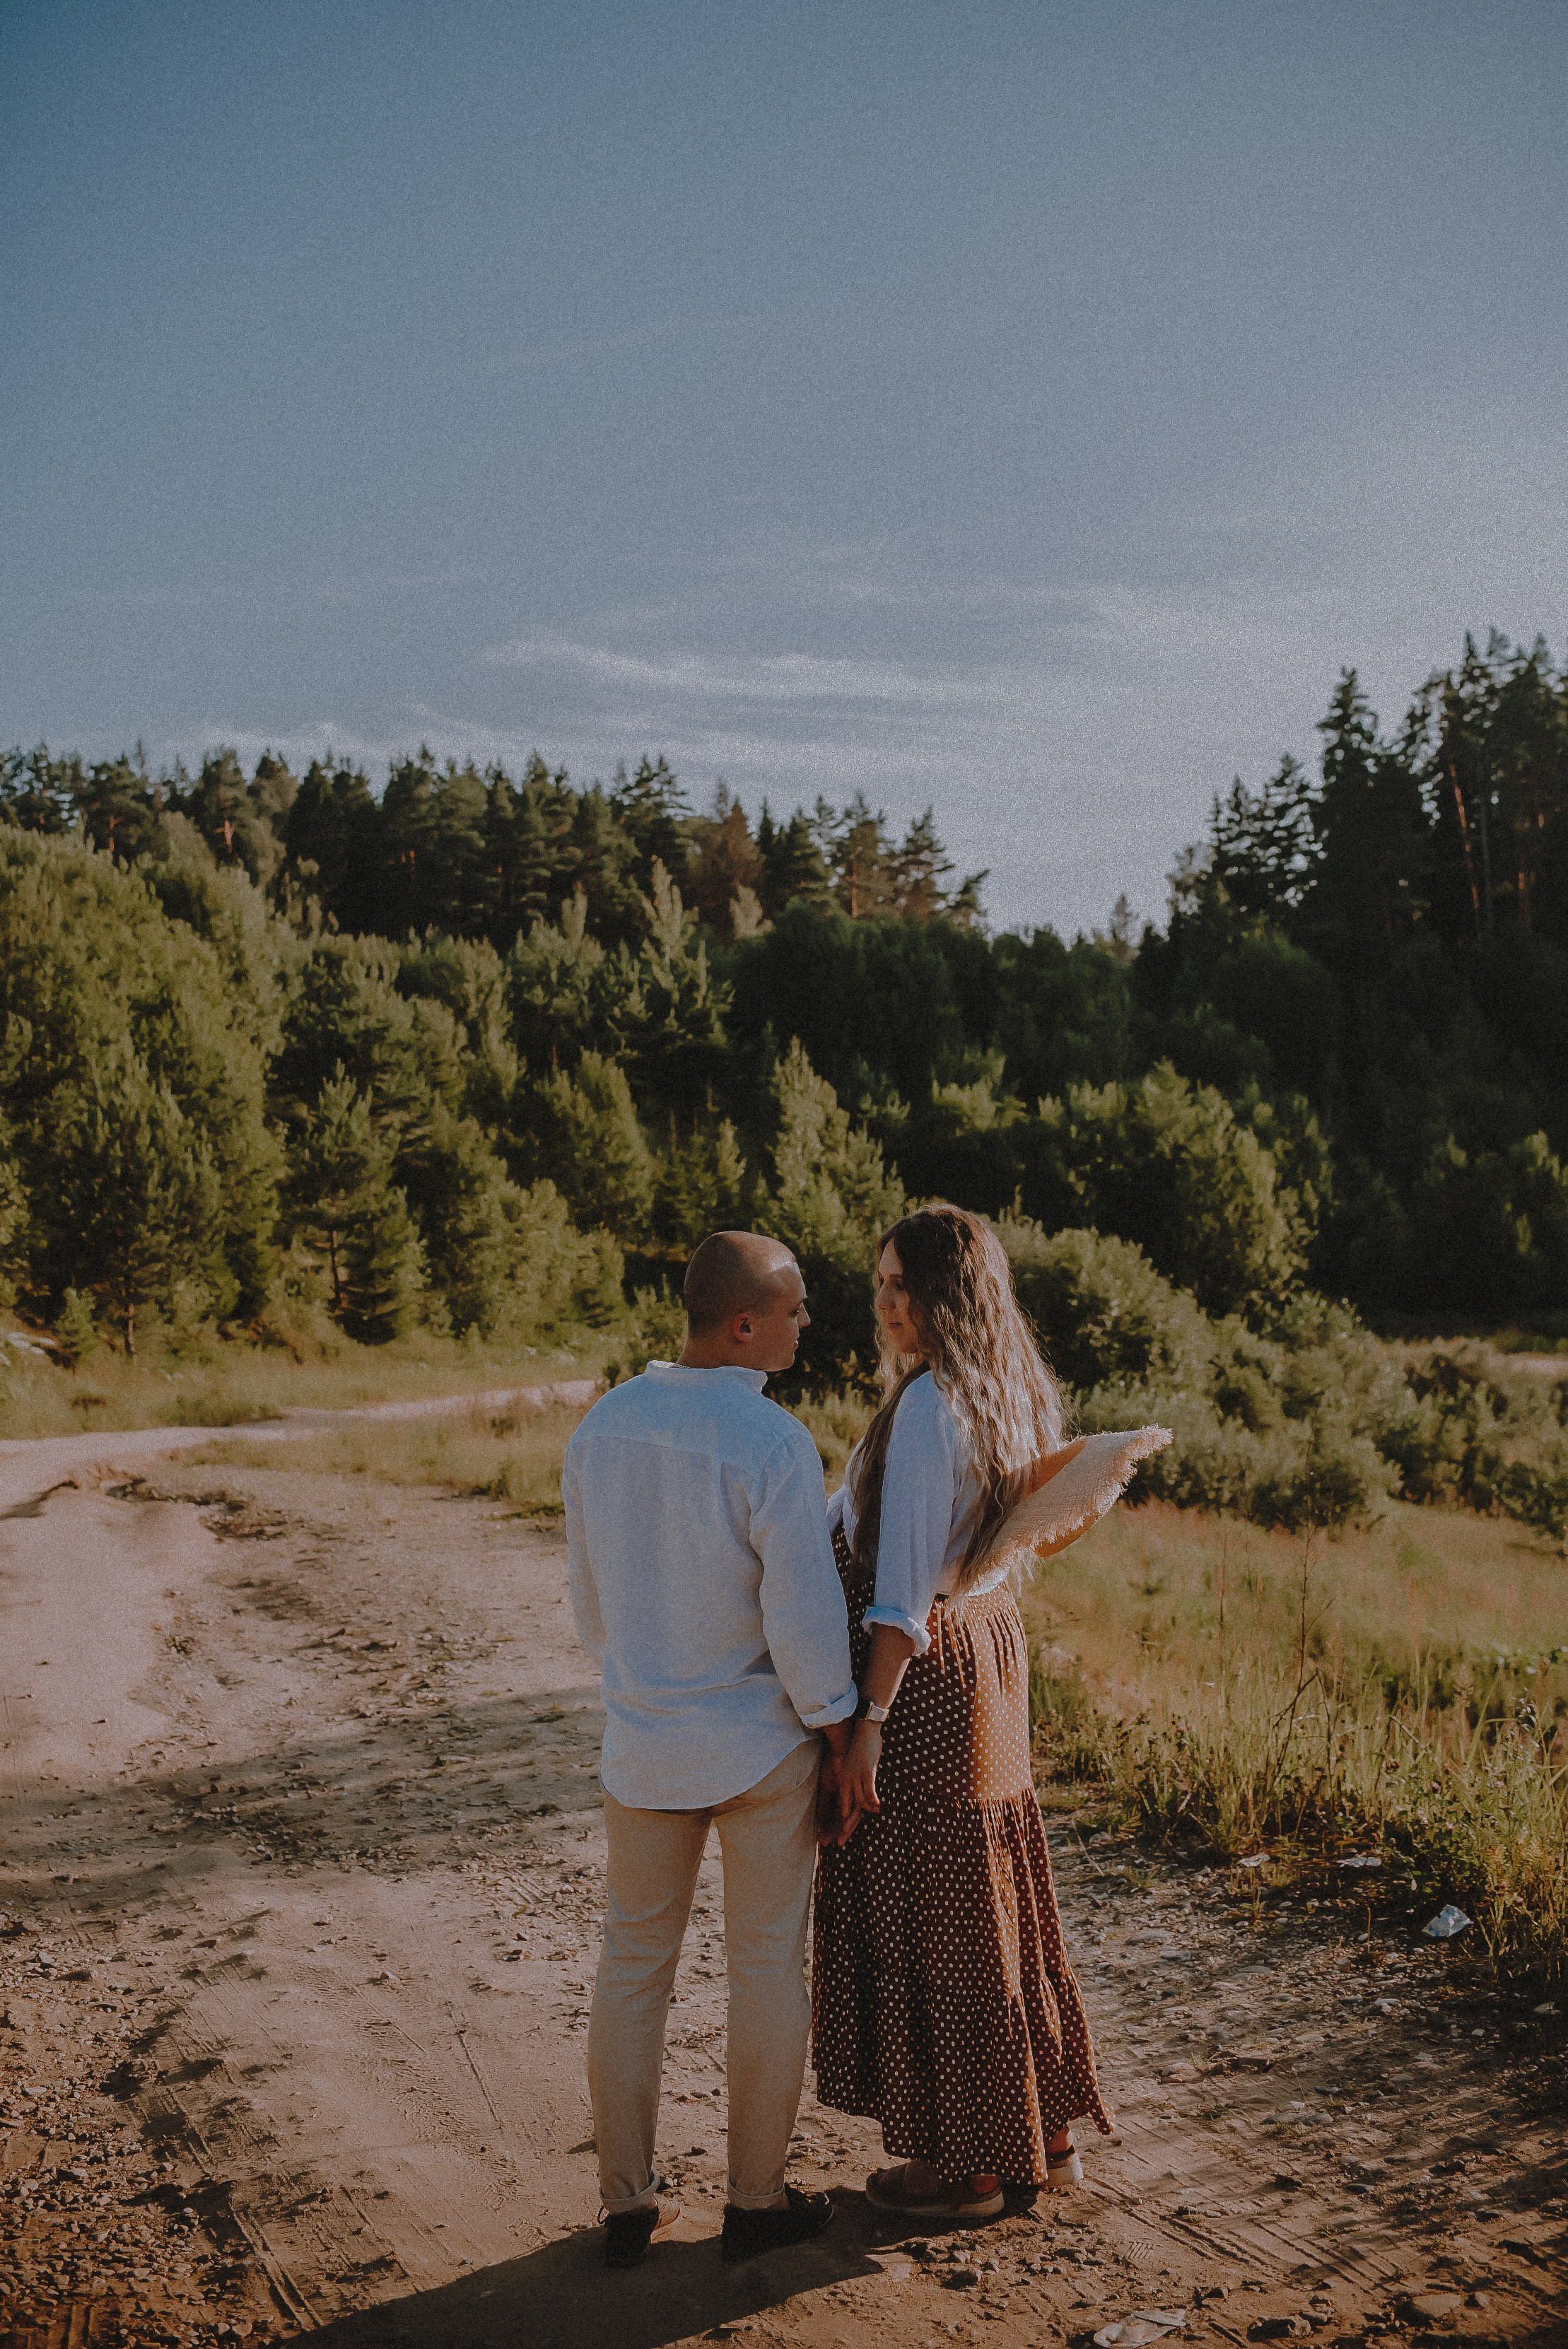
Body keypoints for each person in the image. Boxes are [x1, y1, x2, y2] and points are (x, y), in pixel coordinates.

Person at [811, 1203, 1113, 2222]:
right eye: (881, 1284)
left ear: (953, 1295)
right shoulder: (1008, 1391)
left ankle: (970, 2167)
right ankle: (1043, 2132)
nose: (888, 1304)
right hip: (987, 1657)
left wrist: (867, 1727)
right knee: (995, 1901)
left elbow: (900, 1589)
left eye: (906, 1286)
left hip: (924, 1677)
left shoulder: (933, 1406)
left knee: (937, 1915)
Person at [564, 1231, 860, 2268]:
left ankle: (625, 2203)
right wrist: (836, 1728)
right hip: (756, 1749)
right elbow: (801, 1614)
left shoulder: (602, 1425)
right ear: (744, 1324)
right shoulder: (769, 1440)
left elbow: (590, 1610)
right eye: (793, 1308)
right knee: (765, 1970)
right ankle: (754, 2202)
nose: (805, 1323)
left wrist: (649, 1674)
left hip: (643, 1743)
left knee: (631, 1964)